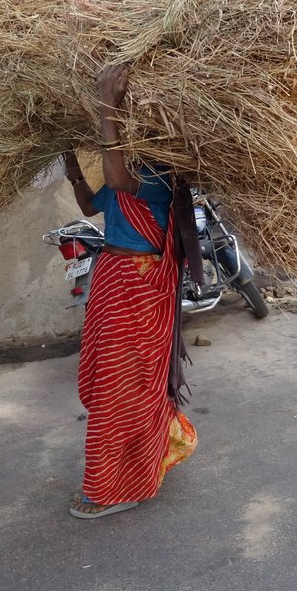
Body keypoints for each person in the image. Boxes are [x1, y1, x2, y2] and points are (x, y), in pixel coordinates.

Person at [63, 63, 198, 519]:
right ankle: (145, 457)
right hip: (112, 279)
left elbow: (119, 180)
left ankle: (114, 487)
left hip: (139, 288)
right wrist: (70, 166)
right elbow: (91, 201)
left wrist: (107, 105)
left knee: (123, 388)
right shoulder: (130, 166)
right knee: (115, 382)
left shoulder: (160, 173)